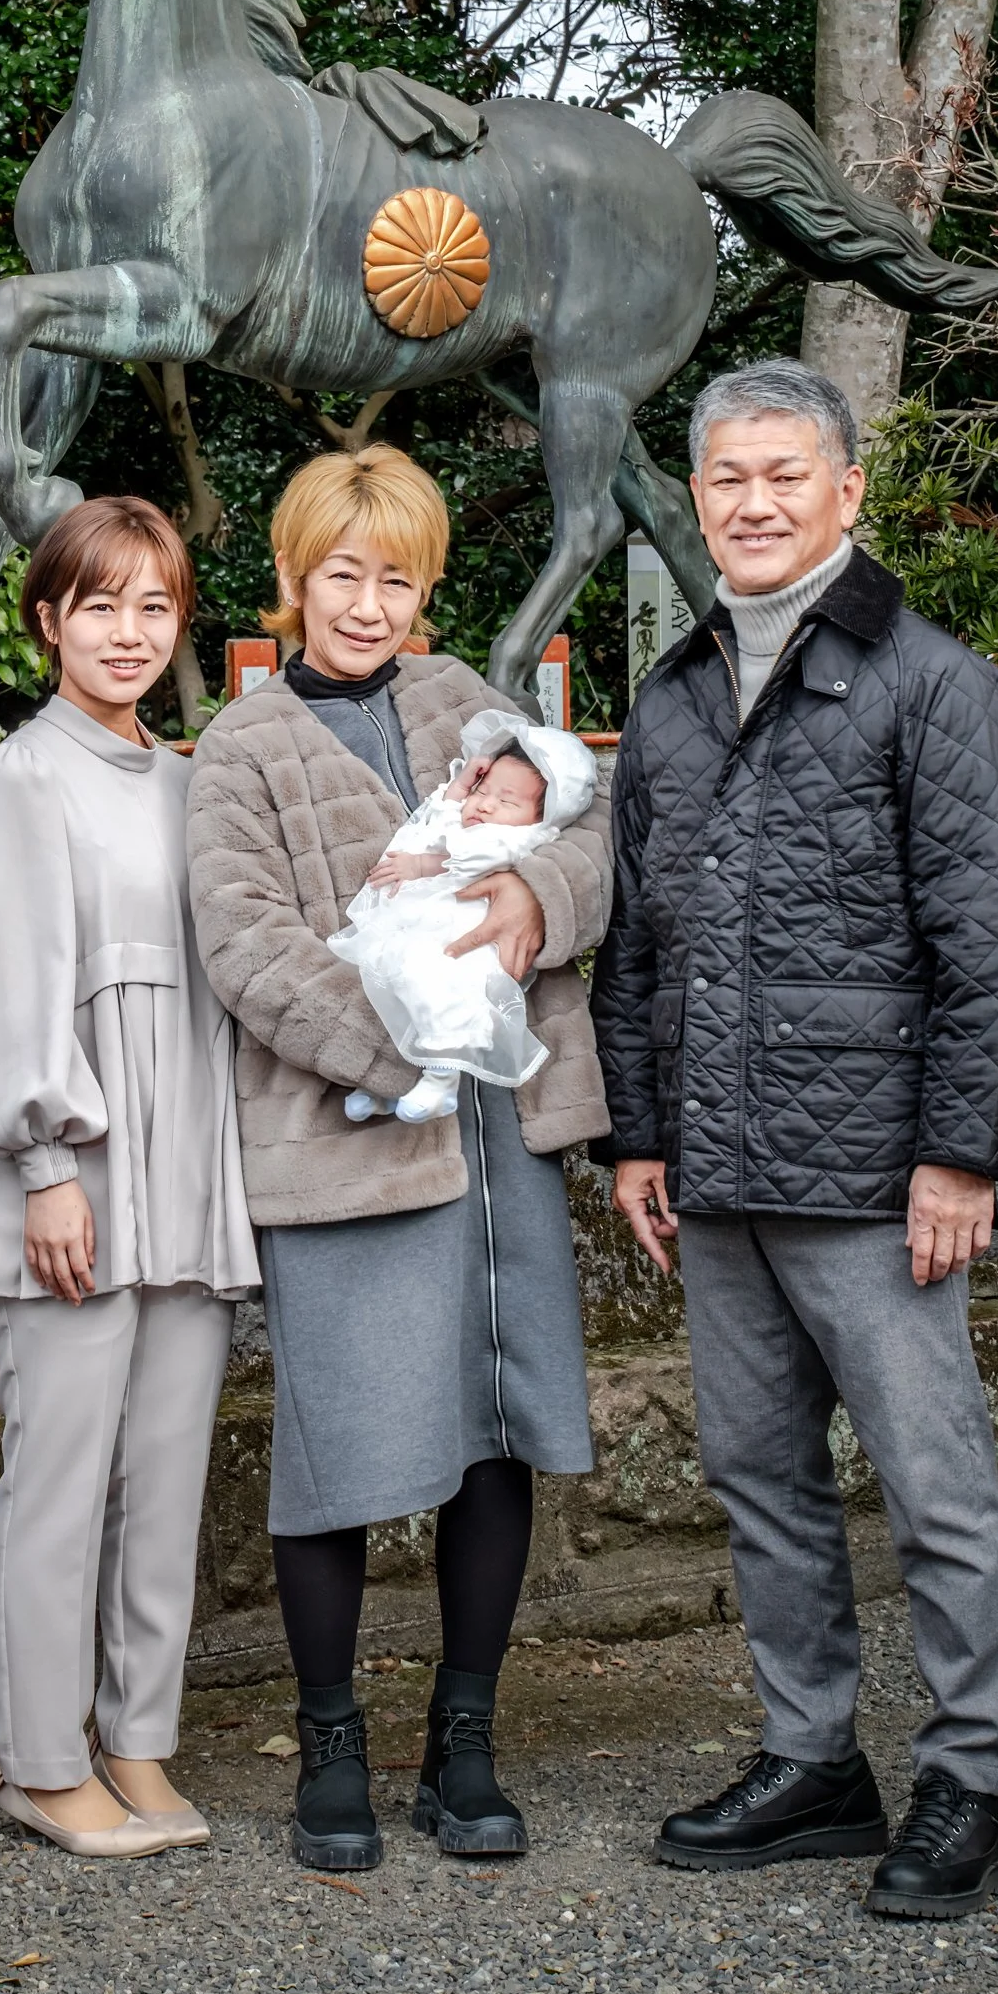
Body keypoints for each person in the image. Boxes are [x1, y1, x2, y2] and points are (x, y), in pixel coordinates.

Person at [590, 358, 998, 1920]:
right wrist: (637, 1135)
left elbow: (990, 940)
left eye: (786, 473)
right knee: (760, 1477)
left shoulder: (934, 683)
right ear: (695, 499)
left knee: (934, 1486)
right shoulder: (673, 695)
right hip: (715, 1167)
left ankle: (967, 1775)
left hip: (875, 1178)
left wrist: (961, 1156)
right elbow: (638, 943)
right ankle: (813, 1761)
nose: (755, 502)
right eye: (728, 477)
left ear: (847, 490)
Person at [186, 448, 612, 1872]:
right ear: (291, 577)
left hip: (500, 1135)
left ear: (425, 589)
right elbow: (246, 945)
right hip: (347, 1133)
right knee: (337, 1445)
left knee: (496, 1428)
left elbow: (593, 830)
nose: (366, 605)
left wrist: (535, 896)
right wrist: (403, 1048)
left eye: (396, 578)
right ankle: (328, 1739)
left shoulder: (462, 705)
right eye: (341, 575)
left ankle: (464, 1736)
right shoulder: (242, 744)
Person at [0, 496, 259, 1860]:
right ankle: (40, 1759)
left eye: (155, 606)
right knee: (60, 1482)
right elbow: (5, 987)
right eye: (100, 605)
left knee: (166, 1477)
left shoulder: (192, 784)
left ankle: (137, 1739)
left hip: (186, 1176)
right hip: (69, 1182)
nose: (129, 632)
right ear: (48, 620)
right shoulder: (14, 781)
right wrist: (46, 1164)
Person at [332, 714, 600, 1122]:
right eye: (482, 790)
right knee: (392, 992)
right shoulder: (480, 820)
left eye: (506, 801)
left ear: (543, 816)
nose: (485, 804)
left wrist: (420, 865)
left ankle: (441, 1080)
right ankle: (386, 1084)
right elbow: (436, 821)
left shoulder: (518, 837)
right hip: (425, 924)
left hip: (464, 937)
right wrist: (460, 787)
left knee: (436, 991)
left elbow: (463, 860)